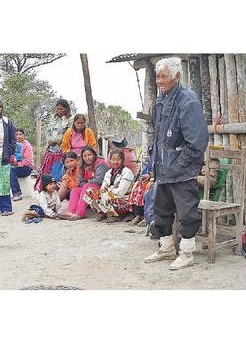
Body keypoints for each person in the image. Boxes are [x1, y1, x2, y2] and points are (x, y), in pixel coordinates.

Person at [143, 57, 208, 270]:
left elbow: (197, 142)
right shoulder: (160, 101)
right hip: (163, 167)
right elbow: (156, 134)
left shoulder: (188, 100)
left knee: (187, 212)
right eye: (157, 76)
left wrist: (179, 164)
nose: (159, 81)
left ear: (177, 77)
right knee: (161, 210)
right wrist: (156, 160)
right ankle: (167, 247)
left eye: (164, 77)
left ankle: (187, 252)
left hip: (182, 169)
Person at [84, 148, 134, 223]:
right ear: (110, 160)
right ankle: (102, 212)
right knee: (89, 192)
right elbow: (103, 187)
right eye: (113, 159)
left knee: (105, 195)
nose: (115, 162)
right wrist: (108, 190)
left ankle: (114, 215)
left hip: (123, 199)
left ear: (123, 160)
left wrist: (108, 190)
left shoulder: (127, 172)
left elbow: (121, 191)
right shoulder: (109, 172)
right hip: (111, 195)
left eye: (118, 159)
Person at [62, 145, 108, 221]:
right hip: (87, 187)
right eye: (85, 156)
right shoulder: (82, 166)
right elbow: (79, 183)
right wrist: (88, 182)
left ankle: (80, 213)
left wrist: (88, 181)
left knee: (87, 186)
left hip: (102, 188)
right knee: (75, 190)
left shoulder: (100, 163)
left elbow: (99, 180)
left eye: (89, 155)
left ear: (94, 154)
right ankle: (71, 211)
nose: (87, 158)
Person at [36, 99, 72, 190]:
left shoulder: (69, 121)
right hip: (50, 150)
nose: (59, 111)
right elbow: (47, 131)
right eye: (58, 109)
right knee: (46, 171)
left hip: (60, 151)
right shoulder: (53, 119)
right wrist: (49, 140)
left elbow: (66, 134)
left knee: (57, 172)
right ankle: (44, 189)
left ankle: (57, 189)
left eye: (61, 109)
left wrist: (55, 140)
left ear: (66, 109)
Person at [10, 128, 34, 202]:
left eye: (20, 134)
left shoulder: (27, 145)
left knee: (11, 171)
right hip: (15, 166)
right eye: (16, 135)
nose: (18, 136)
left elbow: (28, 161)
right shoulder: (12, 145)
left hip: (26, 168)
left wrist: (17, 164)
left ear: (24, 135)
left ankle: (17, 193)